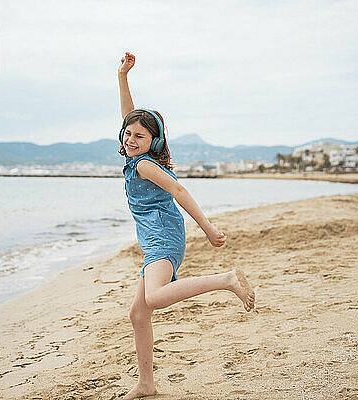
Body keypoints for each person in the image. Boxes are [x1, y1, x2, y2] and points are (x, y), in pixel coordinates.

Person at [117, 51, 255, 400]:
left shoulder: (147, 166)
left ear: (154, 143)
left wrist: (208, 229)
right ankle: (146, 383)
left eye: (140, 137)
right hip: (155, 240)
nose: (131, 140)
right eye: (128, 134)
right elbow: (129, 117)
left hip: (164, 237)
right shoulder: (135, 156)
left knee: (155, 297)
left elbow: (179, 190)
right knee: (138, 313)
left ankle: (227, 280)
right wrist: (123, 78)